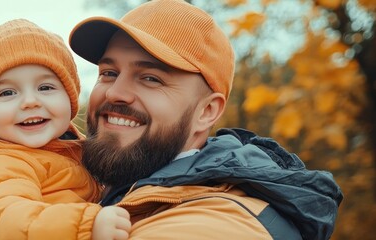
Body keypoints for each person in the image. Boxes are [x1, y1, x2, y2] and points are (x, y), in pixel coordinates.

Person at [69, 0, 343, 239]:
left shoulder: (223, 223)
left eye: (151, 79)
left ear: (207, 112)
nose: (116, 93)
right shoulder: (96, 187)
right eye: (109, 72)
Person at [0, 19, 131, 240]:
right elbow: (3, 223)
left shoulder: (74, 152)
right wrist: (86, 226)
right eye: (7, 93)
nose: (30, 101)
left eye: (45, 87)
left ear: (69, 99)